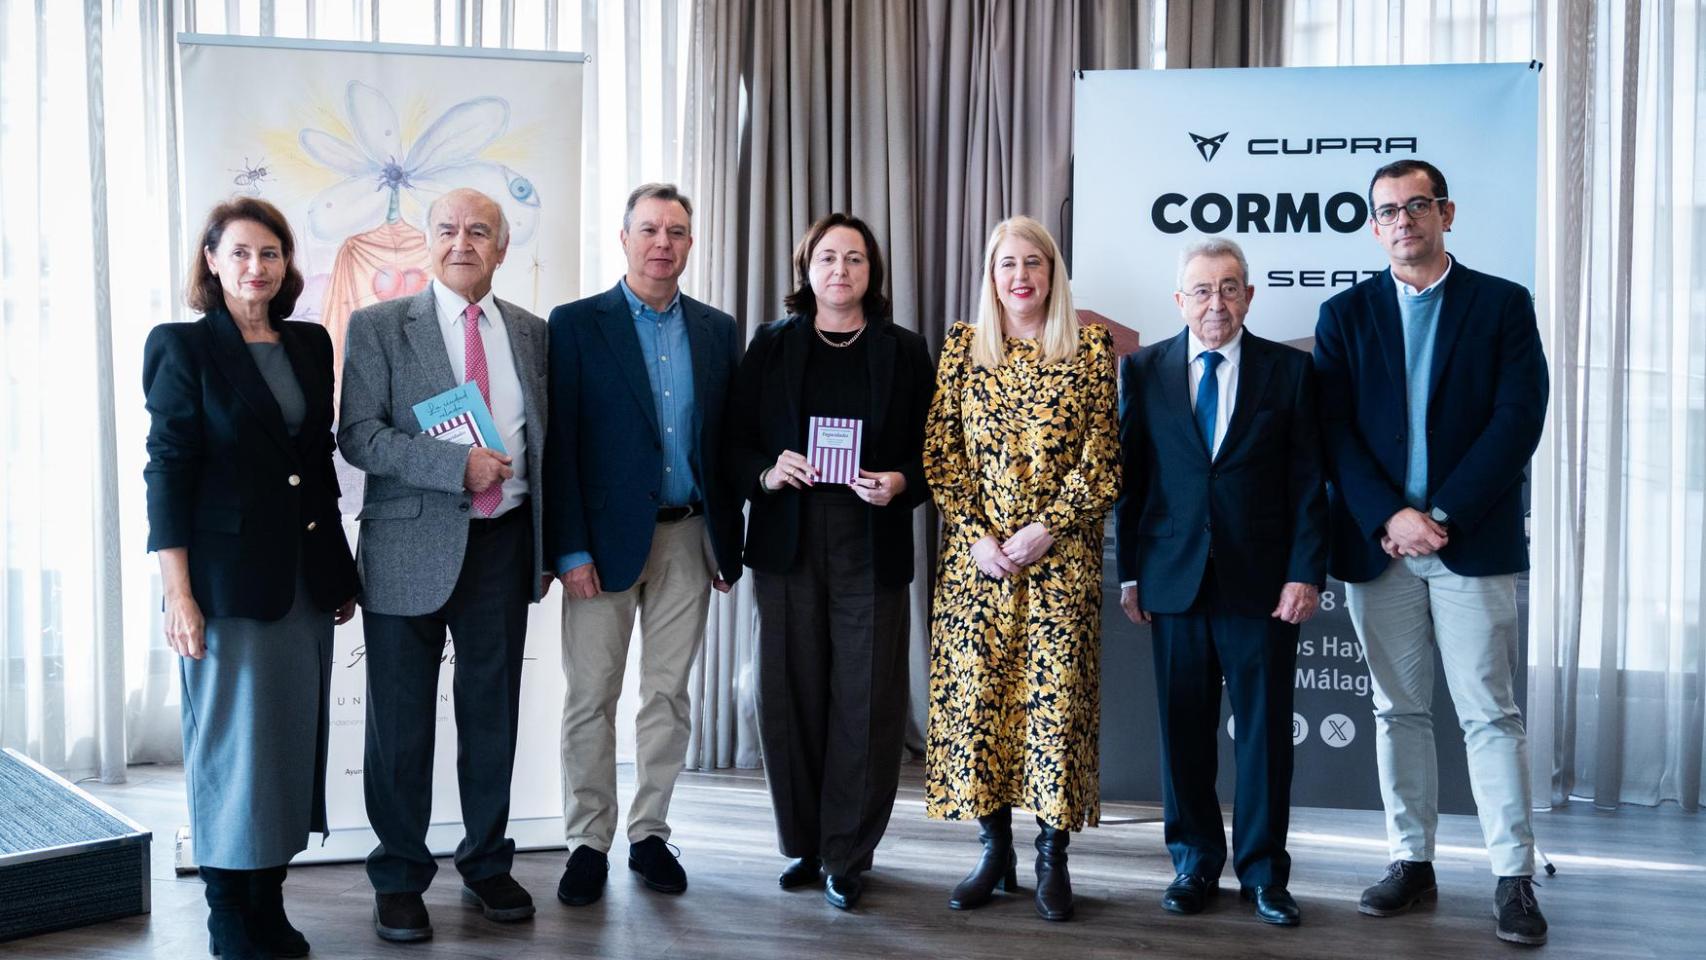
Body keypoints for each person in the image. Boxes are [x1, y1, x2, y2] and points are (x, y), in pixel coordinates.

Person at [1314, 159, 1550, 946]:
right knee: (1397, 711)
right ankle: (1411, 863)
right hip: (1380, 546)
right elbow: (1334, 434)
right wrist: (1390, 515)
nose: (1404, 220)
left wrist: (1438, 514)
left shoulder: (1502, 305)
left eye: (1419, 205)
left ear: (1446, 213)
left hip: (1469, 542)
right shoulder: (1344, 315)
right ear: (1374, 226)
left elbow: (1518, 420)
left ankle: (1513, 877)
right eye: (1389, 210)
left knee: (1490, 716)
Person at [143, 197, 360, 960]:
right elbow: (167, 471)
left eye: (269, 253)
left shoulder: (308, 345)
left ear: (285, 263)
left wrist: (338, 571)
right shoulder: (181, 346)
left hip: (303, 578)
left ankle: (268, 900)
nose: (255, 268)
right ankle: (226, 906)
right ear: (210, 260)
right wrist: (178, 594)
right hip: (225, 584)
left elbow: (316, 465)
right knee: (233, 745)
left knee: (286, 743)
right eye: (238, 253)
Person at [338, 187, 551, 943]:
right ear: (427, 242)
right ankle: (398, 874)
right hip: (407, 543)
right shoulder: (378, 326)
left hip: (504, 544)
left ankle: (487, 861)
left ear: (501, 247)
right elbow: (359, 436)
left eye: (480, 231)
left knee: (491, 716)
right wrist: (453, 466)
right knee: (399, 725)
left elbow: (546, 443)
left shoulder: (531, 332)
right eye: (449, 229)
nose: (463, 241)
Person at [723, 213, 934, 910]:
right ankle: (807, 845)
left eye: (855, 259)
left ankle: (849, 853)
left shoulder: (904, 351)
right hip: (787, 541)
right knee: (791, 695)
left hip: (868, 539)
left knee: (867, 700)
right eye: (827, 258)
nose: (840, 271)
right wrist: (766, 469)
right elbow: (733, 441)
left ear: (872, 274)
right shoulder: (772, 345)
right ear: (805, 269)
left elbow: (936, 454)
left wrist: (902, 482)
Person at [1114, 237, 1326, 927]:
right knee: (1184, 732)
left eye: (1229, 287)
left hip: (1262, 585)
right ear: (1180, 300)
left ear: (1250, 295)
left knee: (1263, 736)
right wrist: (1133, 574)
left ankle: (1264, 873)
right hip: (1173, 582)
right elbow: (1133, 481)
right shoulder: (1144, 372)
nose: (1216, 302)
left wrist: (1304, 573)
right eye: (1202, 290)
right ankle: (1194, 862)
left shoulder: (1289, 374)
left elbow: (1307, 487)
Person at [544, 183, 744, 907]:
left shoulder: (719, 330)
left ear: (691, 244)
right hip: (598, 547)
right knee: (590, 696)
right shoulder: (574, 325)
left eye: (678, 232)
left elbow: (728, 445)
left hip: (690, 536)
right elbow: (558, 446)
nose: (664, 243)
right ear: (624, 238)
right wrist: (567, 549)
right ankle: (587, 842)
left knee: (668, 694)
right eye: (651, 229)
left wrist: (730, 542)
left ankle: (649, 833)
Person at [923, 214, 1120, 922]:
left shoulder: (1090, 348)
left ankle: (1051, 857)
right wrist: (976, 535)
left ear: (1053, 273)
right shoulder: (962, 349)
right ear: (992, 275)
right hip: (977, 569)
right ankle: (993, 850)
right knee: (982, 707)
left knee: (1054, 710)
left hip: (1059, 564)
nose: (1021, 277)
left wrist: (1046, 528)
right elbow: (941, 456)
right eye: (1008, 264)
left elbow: (1103, 462)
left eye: (1033, 263)